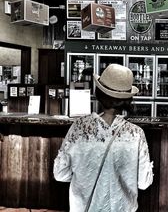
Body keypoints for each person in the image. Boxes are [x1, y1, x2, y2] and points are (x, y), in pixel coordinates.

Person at [53, 64, 153, 212]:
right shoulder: (136, 133)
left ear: (99, 94)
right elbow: (144, 182)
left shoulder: (79, 128)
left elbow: (60, 174)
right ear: (127, 99)